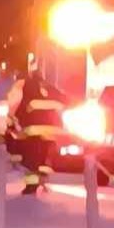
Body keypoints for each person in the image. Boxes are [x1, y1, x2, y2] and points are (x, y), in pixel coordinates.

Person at [15, 60, 66, 197]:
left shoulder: (28, 88)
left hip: (33, 132)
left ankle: (32, 186)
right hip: (49, 132)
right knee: (44, 160)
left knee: (31, 160)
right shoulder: (50, 89)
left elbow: (22, 107)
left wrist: (18, 122)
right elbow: (64, 101)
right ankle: (42, 183)